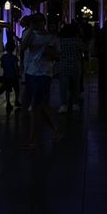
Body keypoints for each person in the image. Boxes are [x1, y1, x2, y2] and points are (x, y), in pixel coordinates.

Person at [20, 13, 61, 148]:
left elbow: (56, 55)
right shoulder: (31, 35)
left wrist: (50, 54)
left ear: (43, 22)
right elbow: (23, 47)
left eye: (38, 22)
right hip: (31, 72)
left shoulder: (51, 38)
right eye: (34, 22)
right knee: (40, 106)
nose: (37, 25)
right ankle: (55, 130)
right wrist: (30, 30)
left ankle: (32, 139)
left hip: (44, 74)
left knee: (35, 106)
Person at [58, 22, 84, 113]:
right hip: (76, 65)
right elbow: (83, 49)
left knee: (63, 86)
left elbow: (57, 51)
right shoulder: (77, 41)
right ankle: (75, 104)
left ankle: (63, 105)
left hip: (64, 65)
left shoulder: (61, 40)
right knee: (75, 86)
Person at [0, 39, 21, 113]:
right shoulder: (14, 57)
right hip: (13, 76)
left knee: (8, 90)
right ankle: (16, 101)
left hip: (6, 76)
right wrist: (18, 73)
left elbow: (2, 66)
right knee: (17, 89)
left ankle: (8, 103)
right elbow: (15, 67)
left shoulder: (3, 57)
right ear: (13, 49)